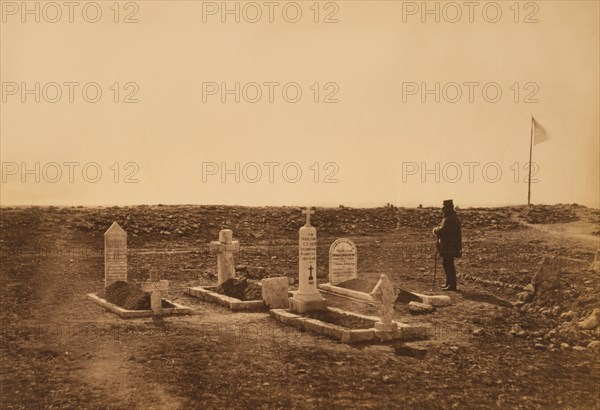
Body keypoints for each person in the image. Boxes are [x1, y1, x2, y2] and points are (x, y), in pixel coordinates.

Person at [432, 199, 462, 291]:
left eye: (444, 207)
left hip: (450, 245)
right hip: (450, 245)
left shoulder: (450, 218)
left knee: (448, 264)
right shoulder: (451, 217)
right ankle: (449, 284)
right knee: (447, 264)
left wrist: (435, 230)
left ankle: (451, 285)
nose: (442, 209)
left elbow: (444, 231)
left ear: (449, 208)